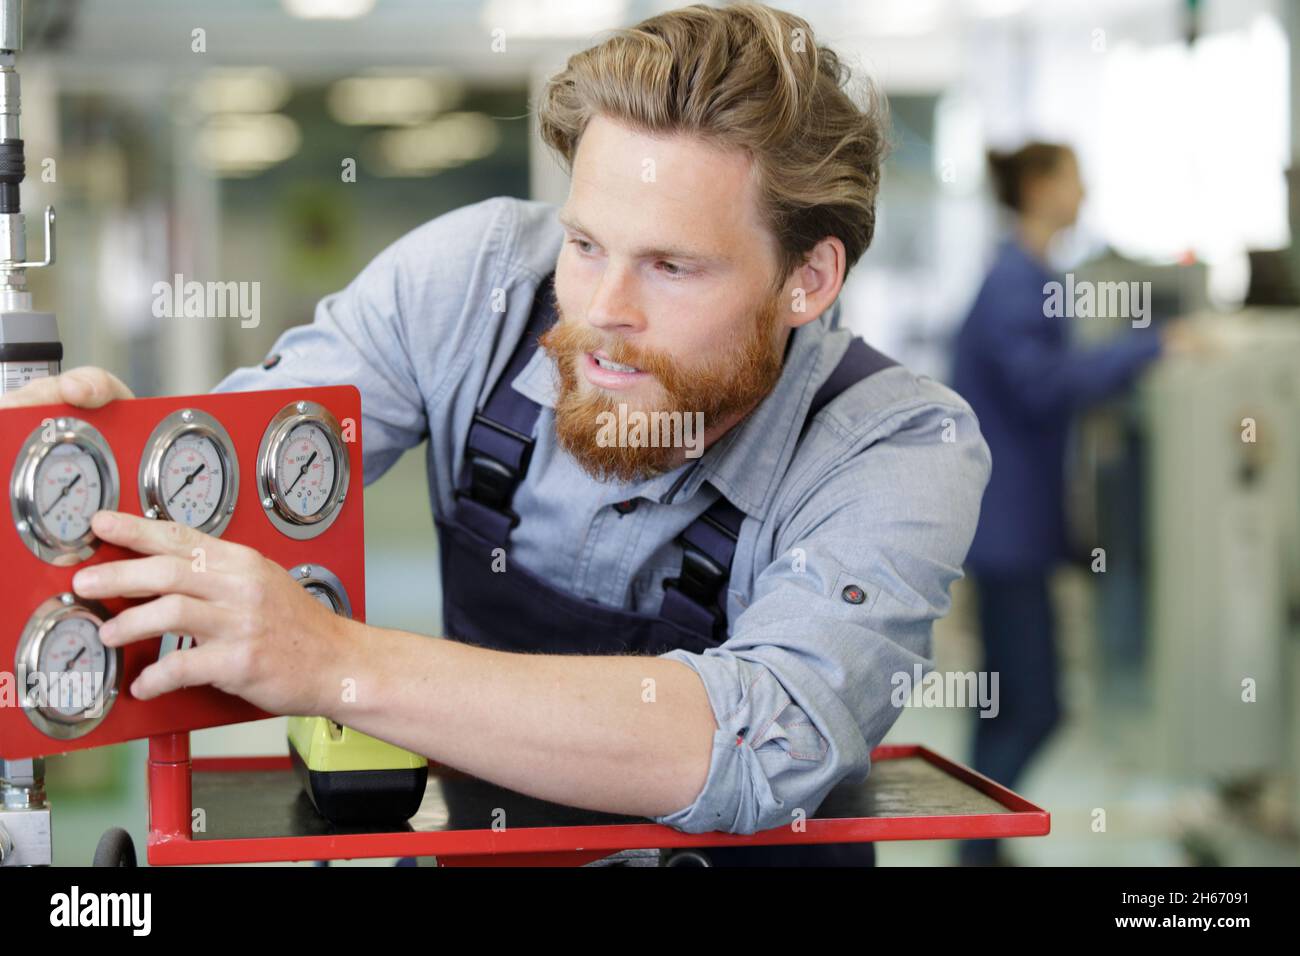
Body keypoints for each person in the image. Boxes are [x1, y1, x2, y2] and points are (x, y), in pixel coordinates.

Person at [2, 3, 991, 866]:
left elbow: (760, 735)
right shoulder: (472, 284)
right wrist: (91, 487)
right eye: (585, 242)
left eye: (673, 267)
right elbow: (234, 487)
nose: (601, 310)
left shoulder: (898, 445)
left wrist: (335, 660)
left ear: (807, 280)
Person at [950, 142, 1197, 865]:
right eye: (1073, 180)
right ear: (1038, 187)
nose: (1083, 193)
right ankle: (977, 849)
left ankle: (982, 848)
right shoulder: (1014, 283)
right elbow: (1044, 385)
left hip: (1017, 530)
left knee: (1010, 707)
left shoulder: (1027, 276)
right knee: (1033, 705)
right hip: (1007, 534)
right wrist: (1151, 349)